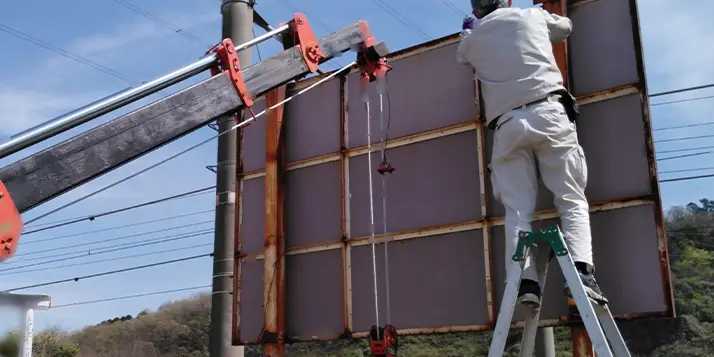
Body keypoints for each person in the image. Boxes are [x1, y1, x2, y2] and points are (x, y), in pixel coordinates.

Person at [456, 0, 608, 309]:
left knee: (517, 211)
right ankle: (581, 274)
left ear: (476, 10)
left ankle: (526, 282)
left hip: (507, 126)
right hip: (548, 111)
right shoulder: (532, 16)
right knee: (570, 197)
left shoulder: (473, 40)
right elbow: (565, 29)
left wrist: (470, 32)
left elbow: (462, 52)